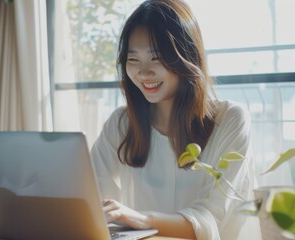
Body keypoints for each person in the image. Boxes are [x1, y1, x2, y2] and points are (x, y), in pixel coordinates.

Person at [90, 0, 257, 239]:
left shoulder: (230, 120)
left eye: (157, 58)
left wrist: (138, 218)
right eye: (133, 59)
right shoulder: (122, 123)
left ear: (186, 57)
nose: (143, 73)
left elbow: (208, 220)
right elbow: (92, 197)